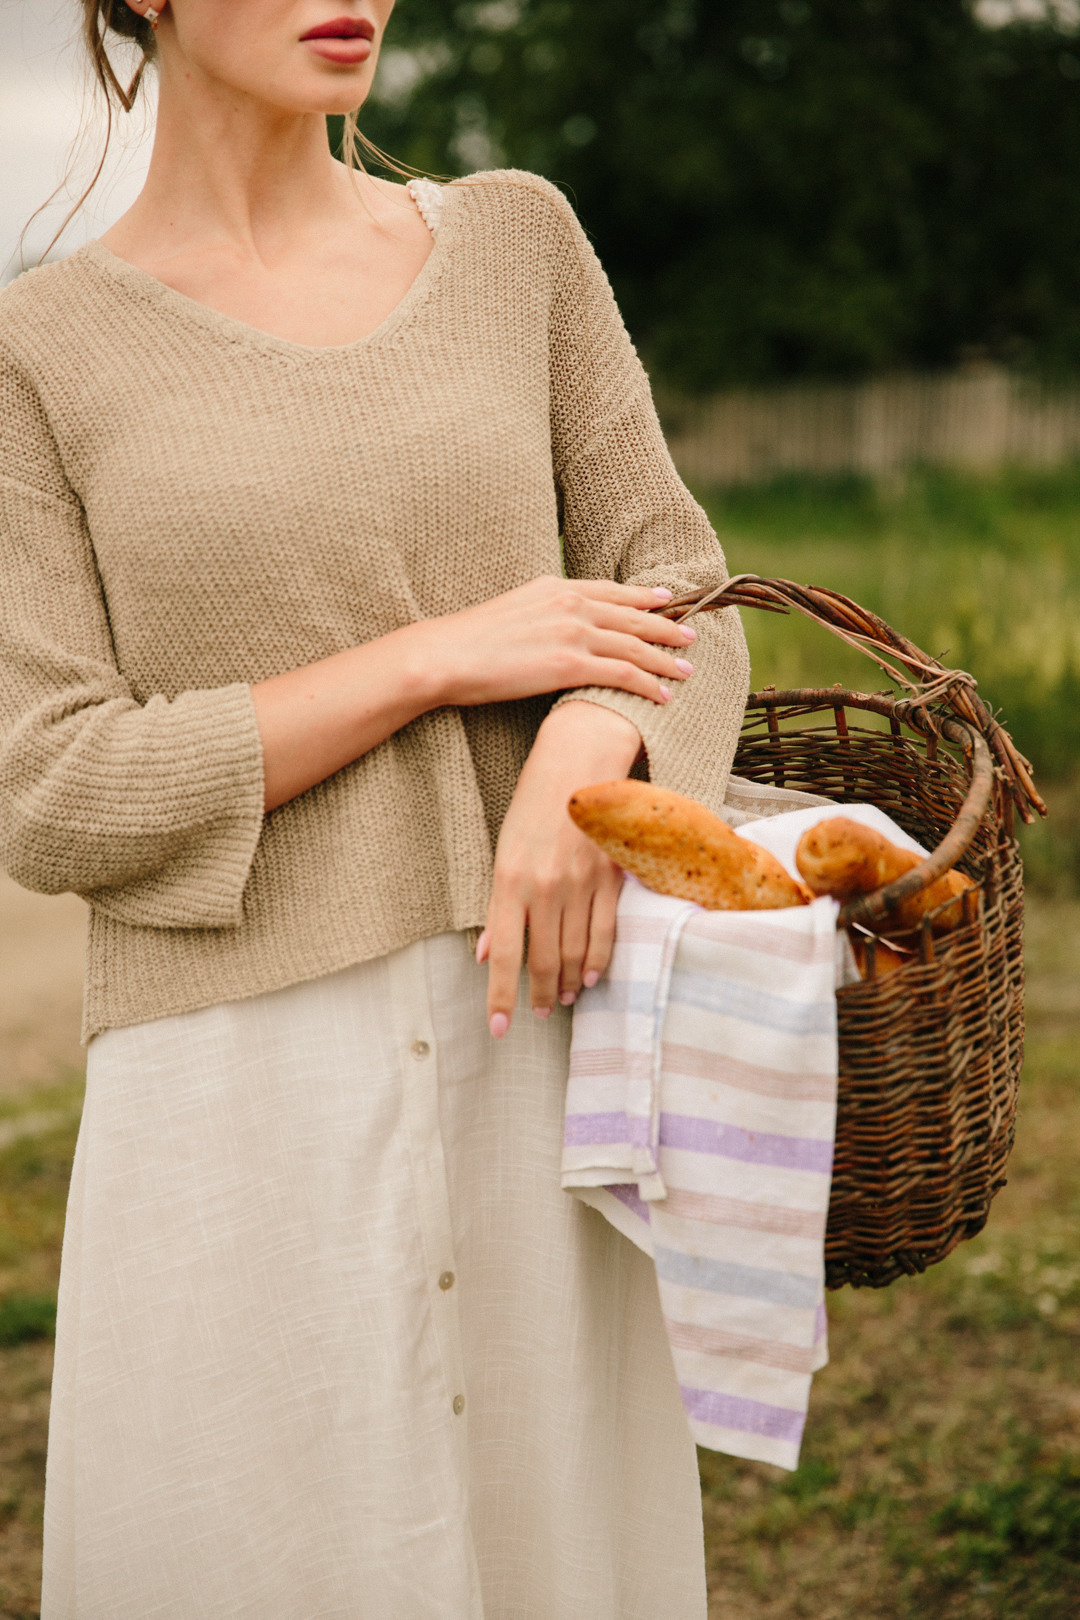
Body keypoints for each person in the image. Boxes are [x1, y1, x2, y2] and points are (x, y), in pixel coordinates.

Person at [0, 2, 749, 1614]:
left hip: (539, 1048)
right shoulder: (39, 350)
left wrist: (581, 758)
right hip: (232, 1105)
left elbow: (680, 590)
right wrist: (428, 660)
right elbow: (53, 785)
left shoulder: (516, 244)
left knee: (561, 1558)